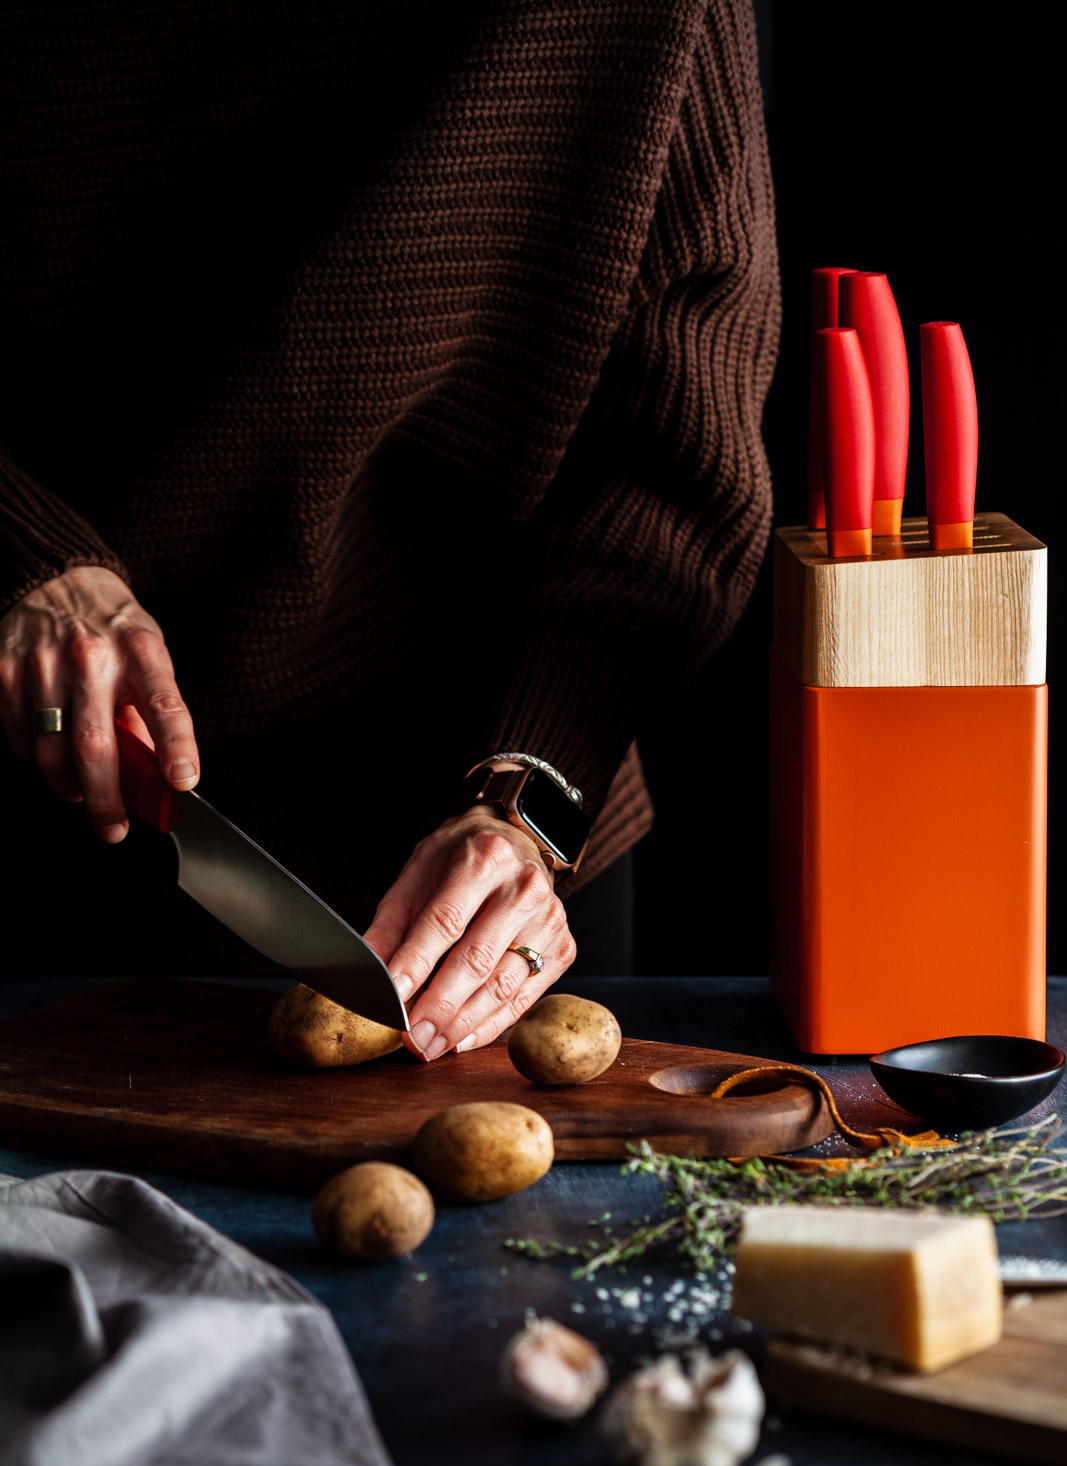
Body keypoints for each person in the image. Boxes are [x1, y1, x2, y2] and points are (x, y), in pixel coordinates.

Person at [0, 0, 779, 1057]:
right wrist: (20, 557)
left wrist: (528, 797)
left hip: (487, 847)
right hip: (41, 786)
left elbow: (677, 440)